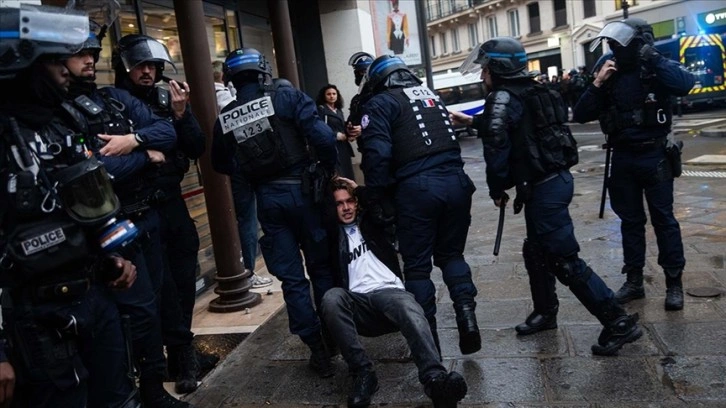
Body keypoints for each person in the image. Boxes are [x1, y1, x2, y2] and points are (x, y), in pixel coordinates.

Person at [452, 36, 643, 356]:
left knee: (564, 260)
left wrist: (497, 188)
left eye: (485, 69)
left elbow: (497, 143)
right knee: (536, 250)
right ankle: (545, 312)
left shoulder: (501, 97)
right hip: (555, 181)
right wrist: (472, 121)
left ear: (498, 69)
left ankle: (617, 321)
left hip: (544, 188)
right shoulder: (535, 89)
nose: (483, 75)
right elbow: (519, 124)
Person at [0, 5, 139, 406]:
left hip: (94, 295)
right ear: (23, 66)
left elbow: (84, 205)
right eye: (55, 59)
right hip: (34, 318)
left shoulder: (62, 121)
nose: (67, 68)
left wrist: (112, 257)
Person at [63, 25, 190, 407]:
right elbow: (95, 173)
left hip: (144, 220)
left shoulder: (114, 99)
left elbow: (167, 133)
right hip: (103, 230)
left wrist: (132, 140)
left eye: (92, 53)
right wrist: (143, 156)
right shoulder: (62, 113)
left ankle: (153, 389)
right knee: (122, 317)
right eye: (81, 54)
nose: (90, 60)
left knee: (149, 309)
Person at [211, 48, 337, 377]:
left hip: (268, 200)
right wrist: (326, 171)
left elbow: (220, 163)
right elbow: (324, 138)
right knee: (321, 269)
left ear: (231, 78)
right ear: (262, 71)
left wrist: (249, 168)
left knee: (293, 280)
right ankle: (334, 332)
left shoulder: (227, 116)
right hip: (304, 193)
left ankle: (317, 349)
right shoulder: (286, 97)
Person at [358, 55, 481, 356]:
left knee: (417, 270)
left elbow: (377, 156)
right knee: (452, 256)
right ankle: (467, 317)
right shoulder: (431, 96)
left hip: (418, 189)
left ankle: (430, 345)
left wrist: (376, 197)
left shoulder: (380, 103)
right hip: (457, 182)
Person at [113, 34, 215, 394]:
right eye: (141, 65)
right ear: (125, 67)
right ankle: (167, 361)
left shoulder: (166, 99)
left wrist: (181, 114)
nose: (148, 72)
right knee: (159, 290)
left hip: (172, 202)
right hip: (139, 208)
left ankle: (181, 353)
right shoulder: (114, 103)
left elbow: (196, 145)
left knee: (184, 279)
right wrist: (147, 146)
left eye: (153, 66)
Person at [573, 18, 694, 311]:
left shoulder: (654, 64)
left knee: (664, 220)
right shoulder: (609, 66)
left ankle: (674, 282)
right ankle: (634, 280)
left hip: (655, 154)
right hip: (623, 157)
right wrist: (598, 82)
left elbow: (685, 84)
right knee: (630, 222)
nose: (615, 47)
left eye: (620, 42)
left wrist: (653, 58)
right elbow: (581, 114)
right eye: (612, 43)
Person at [321, 177, 468, 408]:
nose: (346, 207)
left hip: (389, 293)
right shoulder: (331, 236)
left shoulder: (372, 223)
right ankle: (363, 374)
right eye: (339, 203)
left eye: (350, 201)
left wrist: (360, 189)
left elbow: (387, 210)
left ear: (357, 203)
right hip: (357, 302)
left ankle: (435, 380)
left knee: (407, 306)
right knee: (331, 298)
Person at [212, 60, 271, 289]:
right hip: (241, 169)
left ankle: (246, 268)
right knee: (247, 222)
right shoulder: (224, 100)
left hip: (236, 169)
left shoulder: (221, 97)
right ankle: (248, 270)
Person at [317, 84, 355, 180]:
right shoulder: (321, 110)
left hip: (343, 146)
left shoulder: (339, 111)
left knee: (347, 172)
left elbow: (341, 127)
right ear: (324, 96)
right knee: (338, 174)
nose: (332, 96)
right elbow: (320, 129)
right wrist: (336, 135)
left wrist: (349, 133)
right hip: (332, 145)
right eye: (328, 94)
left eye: (334, 94)